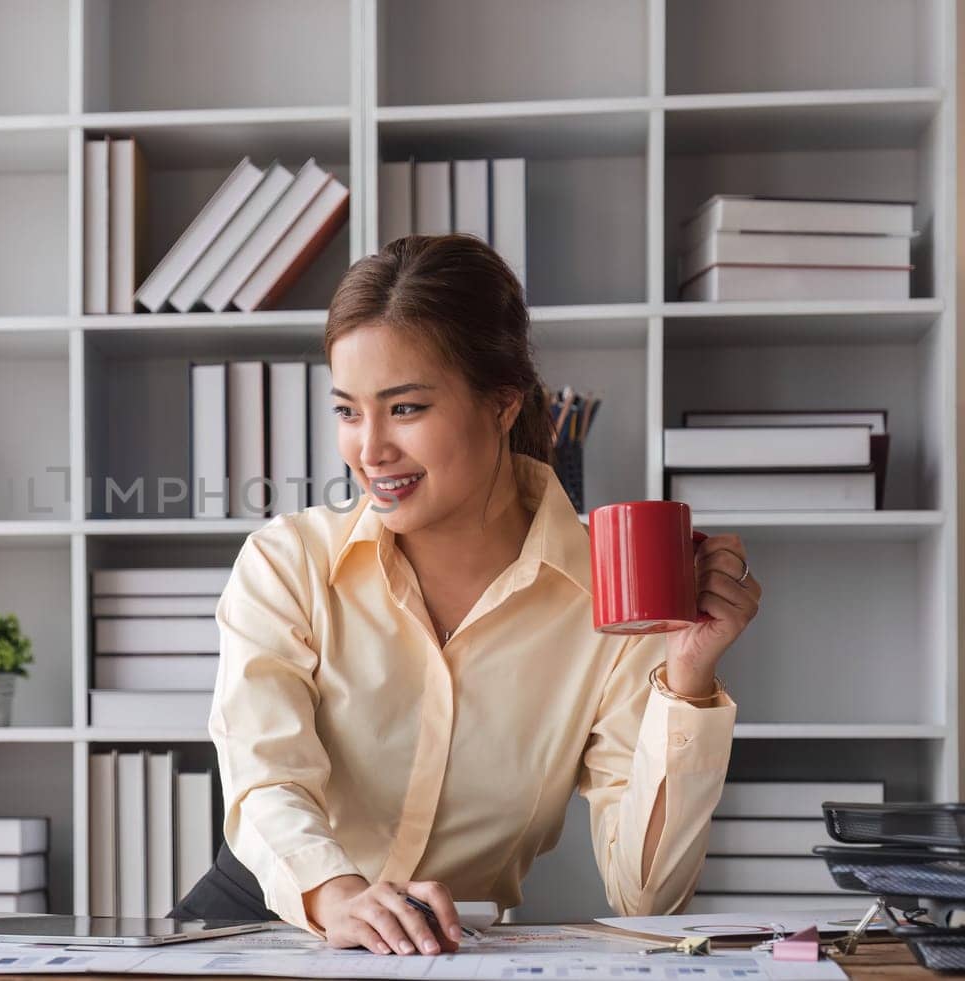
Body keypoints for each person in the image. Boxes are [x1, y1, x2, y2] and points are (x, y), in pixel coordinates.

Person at [169, 235, 762, 956]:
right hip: (268, 926)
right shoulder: (288, 562)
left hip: (449, 952)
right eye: (349, 411)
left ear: (504, 403)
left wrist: (688, 677)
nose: (369, 448)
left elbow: (648, 895)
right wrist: (340, 898)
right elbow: (266, 783)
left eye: (406, 407)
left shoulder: (606, 592)